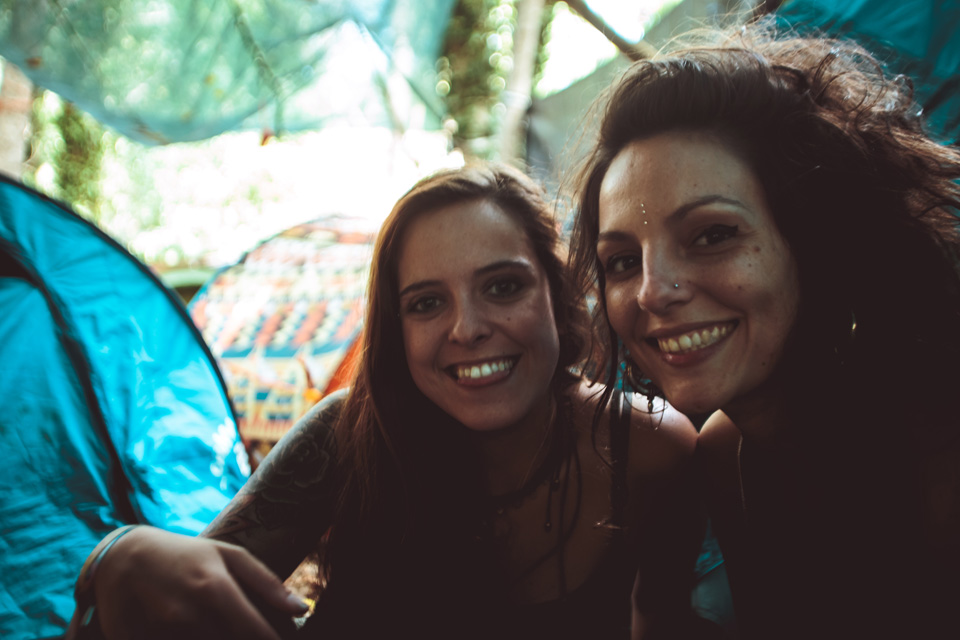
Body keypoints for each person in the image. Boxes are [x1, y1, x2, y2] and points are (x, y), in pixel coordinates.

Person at [71, 163, 706, 640]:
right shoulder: (347, 434)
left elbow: (664, 618)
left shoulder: (650, 449)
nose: (467, 329)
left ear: (556, 294)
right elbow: (173, 605)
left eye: (503, 286)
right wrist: (119, 557)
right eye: (426, 303)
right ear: (394, 330)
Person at [568, 20, 960, 640]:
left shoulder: (938, 445)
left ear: (816, 237)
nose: (651, 291)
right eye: (621, 261)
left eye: (711, 235)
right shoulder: (725, 454)